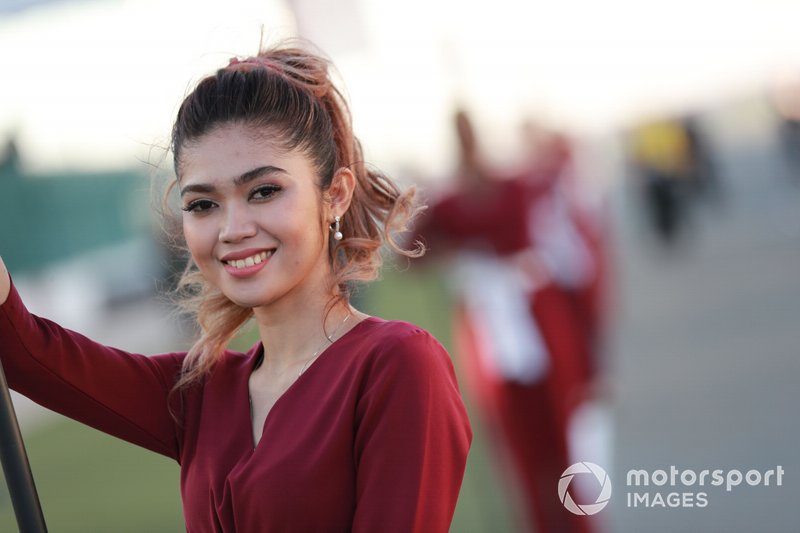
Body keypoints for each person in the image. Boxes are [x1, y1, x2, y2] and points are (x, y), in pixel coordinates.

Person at [0, 41, 472, 532]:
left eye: (263, 192)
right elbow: (28, 354)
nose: (232, 228)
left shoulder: (396, 364)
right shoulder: (198, 391)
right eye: (203, 204)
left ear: (334, 194)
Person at [414, 110, 605, 533]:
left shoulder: (514, 185)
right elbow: (415, 251)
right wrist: (460, 255)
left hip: (533, 312)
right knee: (517, 439)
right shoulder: (450, 200)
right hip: (492, 323)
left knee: (561, 425)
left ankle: (580, 520)